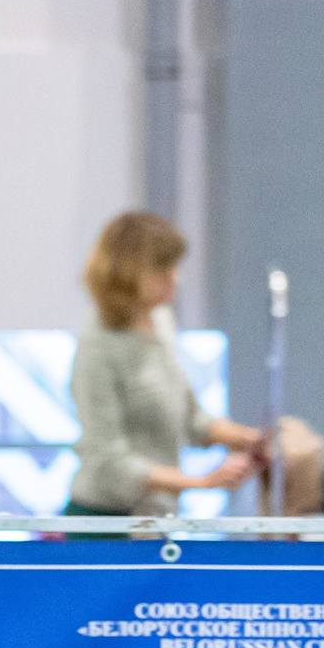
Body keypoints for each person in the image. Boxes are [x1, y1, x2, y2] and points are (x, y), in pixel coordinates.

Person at [65, 211, 261, 519]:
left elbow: (191, 418)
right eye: (163, 269)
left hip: (155, 516)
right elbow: (109, 461)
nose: (174, 278)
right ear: (129, 273)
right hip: (107, 521)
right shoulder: (97, 346)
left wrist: (251, 440)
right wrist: (201, 482)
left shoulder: (161, 322)